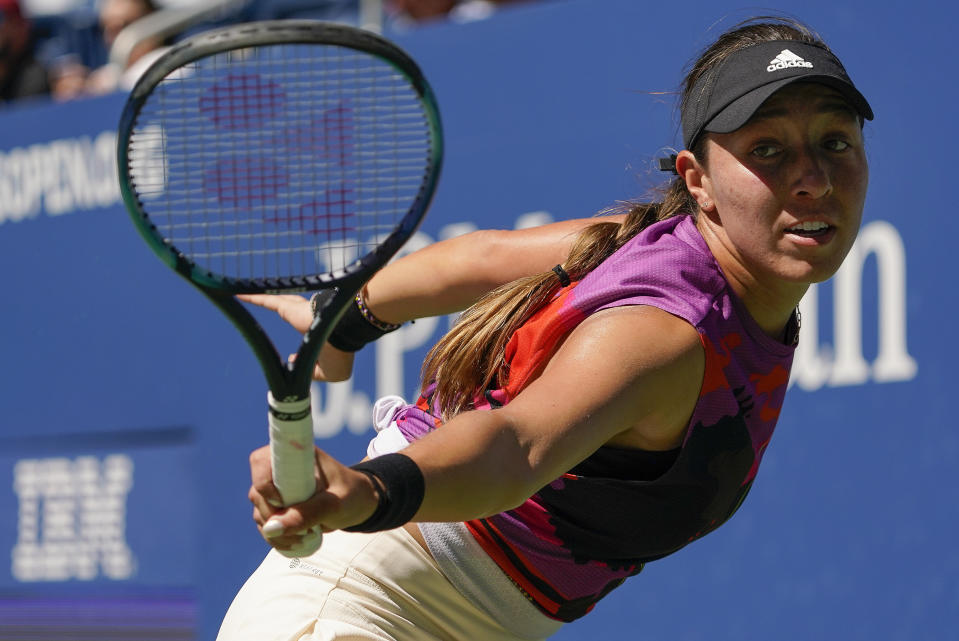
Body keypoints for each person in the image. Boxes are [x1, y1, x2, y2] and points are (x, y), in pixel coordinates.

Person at [217, 16, 872, 641]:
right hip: (361, 607)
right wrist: (368, 491)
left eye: (834, 141)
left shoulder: (643, 242)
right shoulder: (663, 336)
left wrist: (339, 324)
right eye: (766, 150)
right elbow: (515, 445)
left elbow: (479, 258)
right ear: (696, 180)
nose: (812, 178)